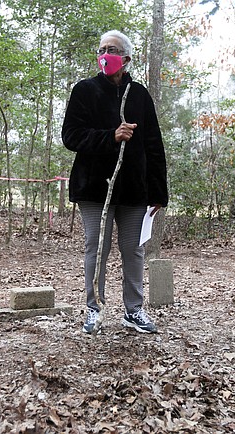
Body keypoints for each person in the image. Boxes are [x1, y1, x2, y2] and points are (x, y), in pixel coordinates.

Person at [61, 30, 168, 334]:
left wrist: (159, 191)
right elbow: (71, 136)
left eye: (113, 49)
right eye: (102, 49)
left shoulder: (140, 95)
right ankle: (94, 309)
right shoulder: (84, 90)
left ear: (126, 58)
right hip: (94, 188)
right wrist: (110, 136)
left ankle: (133, 311)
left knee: (133, 249)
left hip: (135, 189)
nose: (106, 54)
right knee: (96, 246)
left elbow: (153, 144)